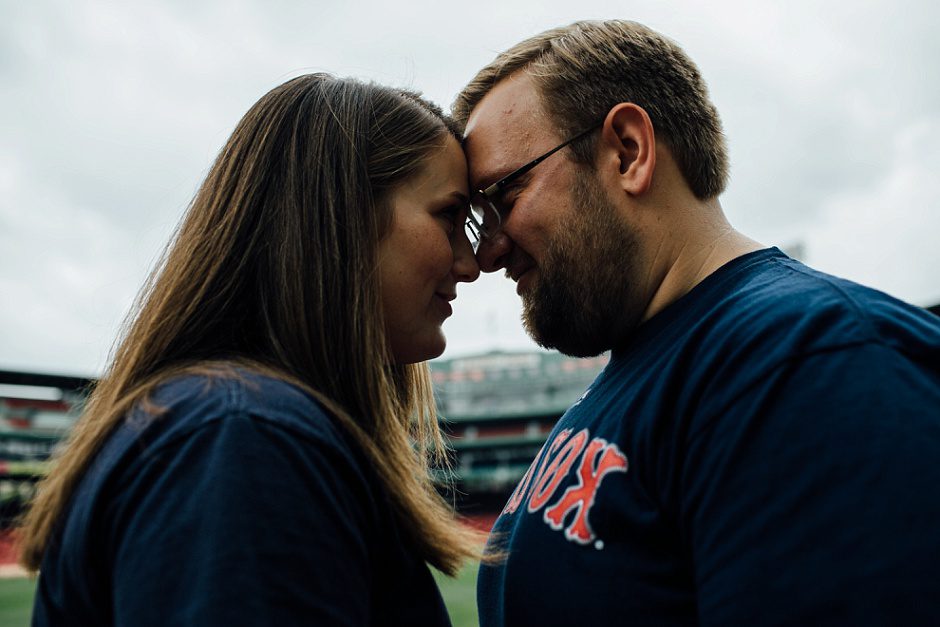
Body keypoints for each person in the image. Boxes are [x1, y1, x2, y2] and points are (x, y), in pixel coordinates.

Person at [453, 20, 940, 626]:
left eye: (504, 196)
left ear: (628, 152)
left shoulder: (811, 360)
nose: (485, 253)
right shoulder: (660, 360)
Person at [19, 73, 482, 626]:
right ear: (340, 214)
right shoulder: (243, 437)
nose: (470, 263)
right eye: (448, 216)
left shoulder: (235, 425)